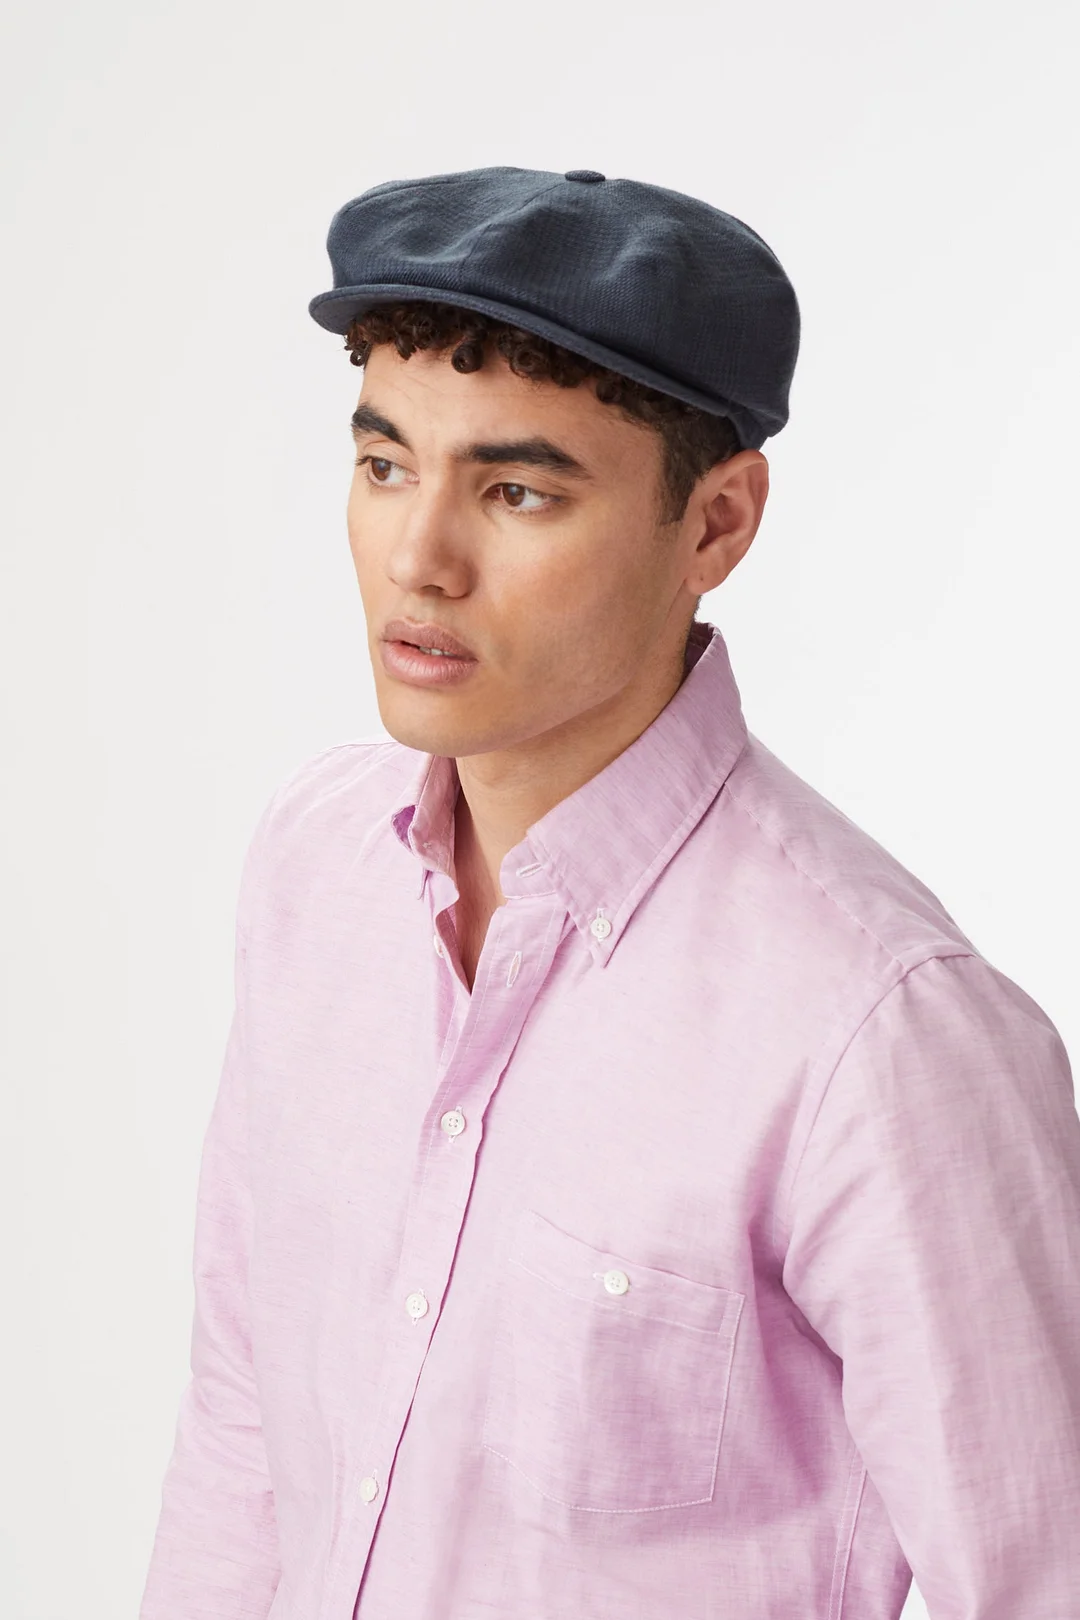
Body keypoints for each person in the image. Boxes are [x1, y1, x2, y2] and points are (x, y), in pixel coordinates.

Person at [137, 167, 1080, 1620]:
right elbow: (243, 1431)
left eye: (516, 491)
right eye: (385, 465)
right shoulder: (316, 866)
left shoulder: (879, 1036)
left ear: (716, 525)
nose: (419, 560)